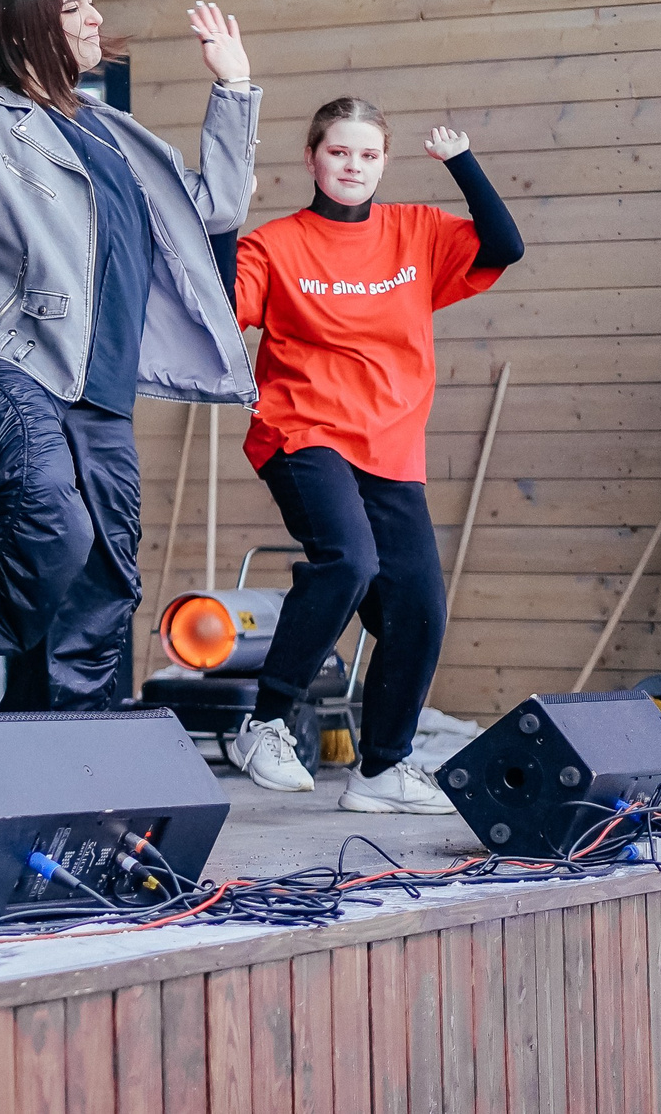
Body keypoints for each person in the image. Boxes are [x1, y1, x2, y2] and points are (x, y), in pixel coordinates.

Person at [0, 0, 257, 715]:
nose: (93, 20)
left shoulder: (112, 131)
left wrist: (234, 90)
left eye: (92, 4)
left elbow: (213, 205)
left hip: (97, 383)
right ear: (26, 26)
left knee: (104, 570)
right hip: (1, 355)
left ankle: (64, 739)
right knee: (46, 503)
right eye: (74, 7)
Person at [226, 100, 520, 813]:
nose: (352, 166)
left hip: (389, 443)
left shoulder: (416, 231)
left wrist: (462, 163)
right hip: (301, 429)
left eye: (366, 155)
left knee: (418, 607)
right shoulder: (276, 245)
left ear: (383, 162)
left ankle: (382, 768)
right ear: (312, 158)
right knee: (349, 560)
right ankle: (262, 723)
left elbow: (503, 245)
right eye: (338, 153)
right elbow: (214, 305)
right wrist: (223, 218)